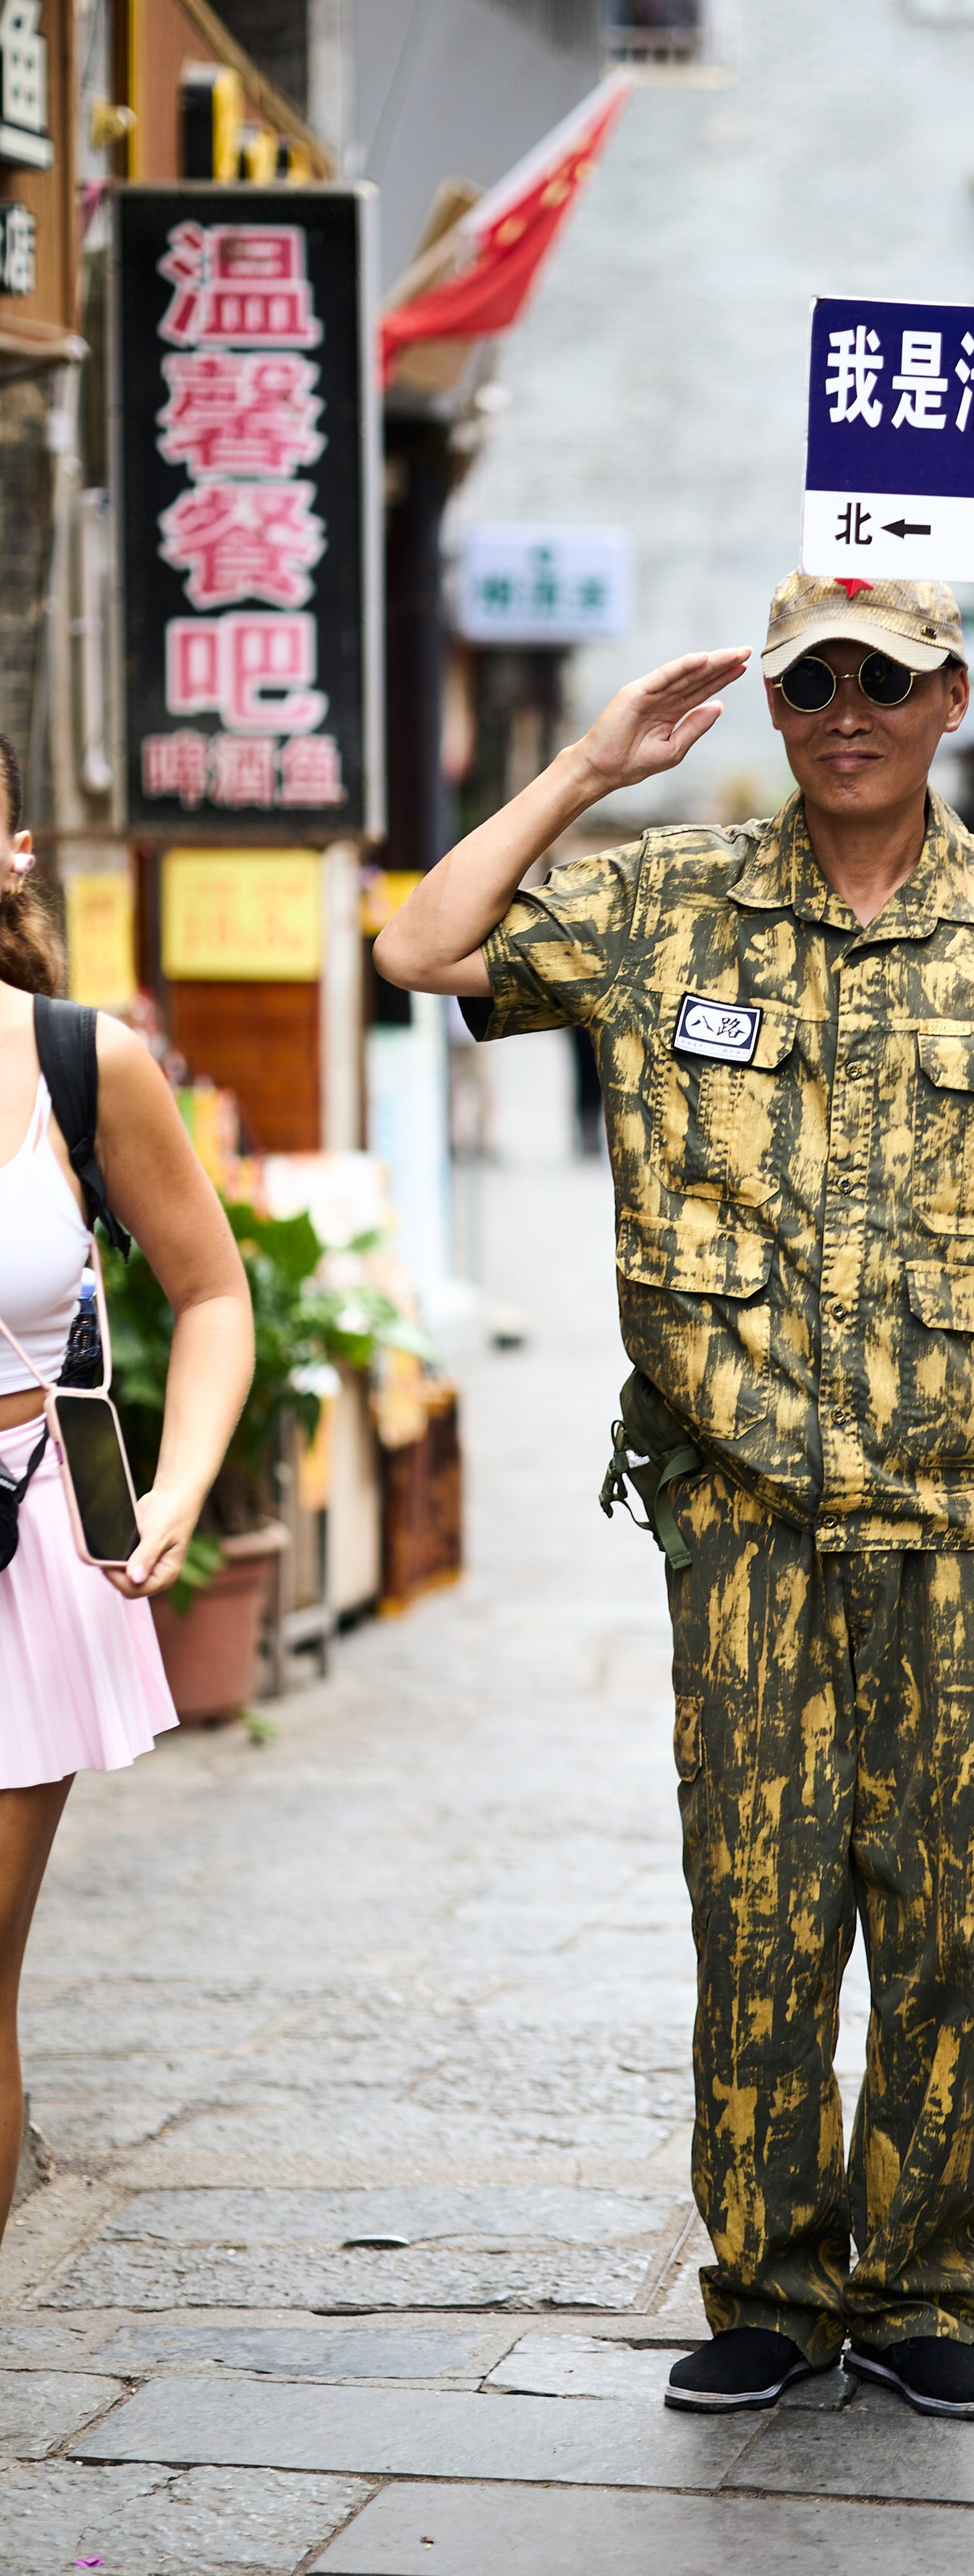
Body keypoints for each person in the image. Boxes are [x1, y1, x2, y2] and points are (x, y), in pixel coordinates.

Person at [377, 574, 974, 2422]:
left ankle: (919, 2291)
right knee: (755, 1905)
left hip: (962, 1514)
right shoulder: (670, 903)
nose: (845, 714)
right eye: (810, 681)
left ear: (949, 696)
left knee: (947, 1906)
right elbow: (418, 949)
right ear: (770, 703)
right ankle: (770, 2286)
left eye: (881, 681)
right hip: (742, 1509)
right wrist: (588, 768)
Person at [0, 732, 253, 2235]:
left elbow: (211, 1292)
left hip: (18, 1534)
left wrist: (177, 1485)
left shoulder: (77, 1062)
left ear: (13, 851)